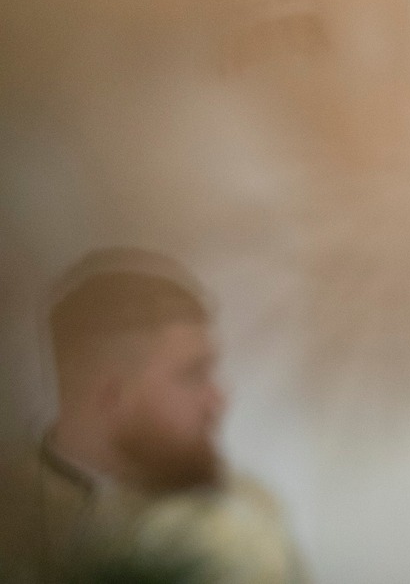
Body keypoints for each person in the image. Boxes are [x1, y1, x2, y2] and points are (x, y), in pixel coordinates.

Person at [2, 249, 304, 584]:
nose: (218, 399)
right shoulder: (12, 522)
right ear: (111, 395)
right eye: (193, 374)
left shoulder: (251, 511)